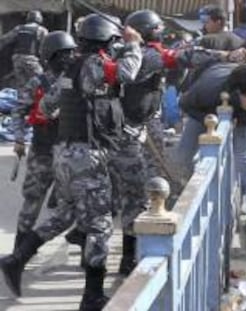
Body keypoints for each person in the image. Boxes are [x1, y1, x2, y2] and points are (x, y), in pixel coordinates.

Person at [0, 14, 143, 311]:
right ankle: (92, 295)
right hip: (86, 156)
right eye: (112, 42)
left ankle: (17, 258)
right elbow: (128, 73)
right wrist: (133, 46)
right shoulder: (94, 64)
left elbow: (46, 105)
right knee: (101, 224)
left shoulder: (72, 69)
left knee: (65, 214)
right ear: (106, 40)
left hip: (65, 154)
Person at [106, 9, 246, 276]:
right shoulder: (148, 55)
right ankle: (129, 258)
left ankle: (120, 252)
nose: (162, 35)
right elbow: (186, 56)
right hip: (132, 131)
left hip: (130, 128)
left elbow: (185, 52)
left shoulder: (126, 52)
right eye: (158, 31)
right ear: (150, 32)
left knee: (131, 191)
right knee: (138, 194)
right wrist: (226, 55)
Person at [178, 63, 246, 218]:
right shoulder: (208, 90)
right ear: (238, 92)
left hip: (245, 116)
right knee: (184, 155)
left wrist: (241, 117)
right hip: (205, 110)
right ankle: (190, 199)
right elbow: (184, 104)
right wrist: (208, 120)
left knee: (244, 157)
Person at [10, 31, 77, 250]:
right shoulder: (36, 82)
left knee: (76, 204)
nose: (70, 57)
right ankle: (19, 250)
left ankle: (81, 241)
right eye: (65, 53)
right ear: (52, 56)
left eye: (71, 52)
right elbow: (19, 110)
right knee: (33, 200)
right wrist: (19, 139)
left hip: (70, 152)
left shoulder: (77, 79)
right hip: (42, 150)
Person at [0, 10, 48, 92]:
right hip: (31, 59)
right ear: (39, 19)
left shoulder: (19, 28)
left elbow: (5, 39)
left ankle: (23, 101)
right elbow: (46, 46)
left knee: (22, 85)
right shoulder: (41, 30)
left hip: (17, 59)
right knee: (42, 81)